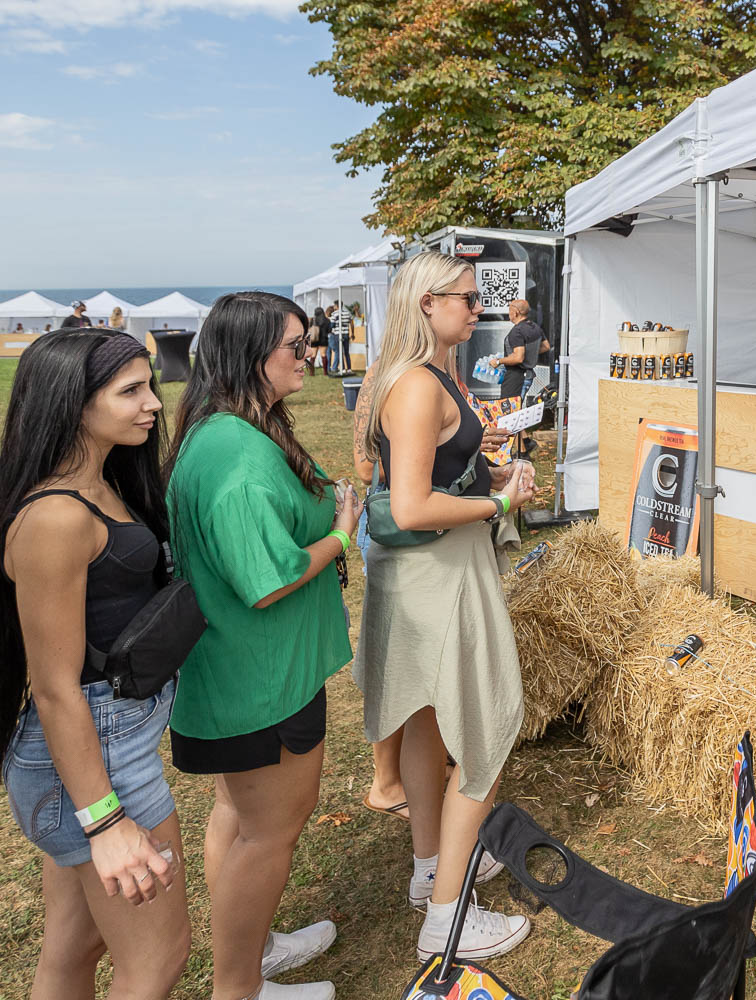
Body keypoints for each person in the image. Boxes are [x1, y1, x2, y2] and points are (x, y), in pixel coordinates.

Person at [166, 292, 360, 1000]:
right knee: (268, 833)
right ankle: (239, 986)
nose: (309, 355)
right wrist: (340, 534)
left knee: (239, 817)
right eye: (294, 346)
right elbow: (268, 581)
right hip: (261, 682)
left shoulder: (229, 429)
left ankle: (253, 952)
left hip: (245, 675)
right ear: (250, 356)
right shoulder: (237, 459)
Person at [355, 251, 535, 961]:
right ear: (427, 303)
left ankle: (432, 867)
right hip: (439, 579)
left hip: (433, 573)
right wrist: (500, 503)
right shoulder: (417, 386)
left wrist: (485, 465)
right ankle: (448, 917)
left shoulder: (426, 375)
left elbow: (431, 468)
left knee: (427, 722)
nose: (478, 308)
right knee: (487, 730)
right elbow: (409, 505)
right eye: (466, 297)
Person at [0, 331, 189, 1000]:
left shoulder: (101, 482)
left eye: (149, 386)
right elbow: (55, 689)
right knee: (157, 960)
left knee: (74, 949)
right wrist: (105, 823)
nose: (153, 404)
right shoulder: (55, 517)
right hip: (93, 761)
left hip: (101, 748)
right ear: (72, 404)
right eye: (130, 391)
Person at [497, 299, 547, 401]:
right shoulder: (535, 327)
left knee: (510, 408)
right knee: (518, 406)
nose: (509, 314)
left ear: (516, 312)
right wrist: (527, 354)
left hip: (516, 378)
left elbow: (518, 358)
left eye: (510, 311)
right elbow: (545, 346)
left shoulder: (517, 331)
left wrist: (498, 361)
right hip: (527, 376)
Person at [329, 300, 351, 376]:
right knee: (346, 352)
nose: (333, 307)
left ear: (336, 306)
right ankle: (349, 368)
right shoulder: (347, 313)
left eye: (334, 305)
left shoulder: (334, 314)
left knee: (340, 352)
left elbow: (332, 325)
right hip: (346, 333)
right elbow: (351, 322)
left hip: (338, 334)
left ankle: (343, 369)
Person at [309, 307, 329, 375]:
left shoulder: (313, 320)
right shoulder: (327, 320)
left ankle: (311, 372)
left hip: (314, 339)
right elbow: (329, 330)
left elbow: (310, 329)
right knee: (323, 355)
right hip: (324, 340)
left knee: (313, 356)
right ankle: (325, 372)